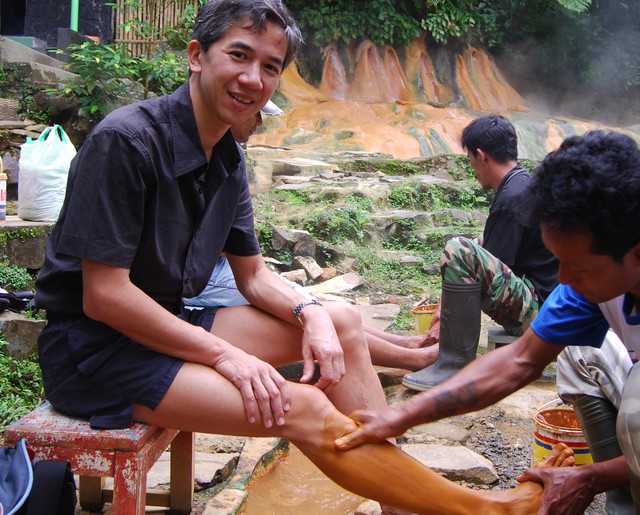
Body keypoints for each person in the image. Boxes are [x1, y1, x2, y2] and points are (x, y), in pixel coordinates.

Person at [32, 1, 573, 512]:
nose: (253, 78)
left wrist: (311, 312)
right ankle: (489, 509)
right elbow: (104, 297)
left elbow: (254, 277)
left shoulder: (226, 156)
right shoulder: (126, 141)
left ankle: (395, 500)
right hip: (95, 352)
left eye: (270, 66)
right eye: (239, 55)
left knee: (339, 321)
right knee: (307, 408)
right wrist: (227, 357)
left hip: (167, 320)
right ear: (198, 56)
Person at [336, 130, 640, 514]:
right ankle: (631, 501)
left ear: (639, 255)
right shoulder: (612, 257)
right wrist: (400, 416)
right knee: (581, 354)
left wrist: (586, 477)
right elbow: (520, 360)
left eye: (576, 266)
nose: (563, 279)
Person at [184, 103, 439, 372]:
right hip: (205, 280)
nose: (259, 122)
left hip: (225, 270)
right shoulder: (192, 156)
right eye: (255, 113)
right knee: (315, 311)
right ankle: (413, 358)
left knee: (308, 301)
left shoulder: (230, 159)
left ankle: (407, 343)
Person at [402, 114, 558, 391]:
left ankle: (454, 364)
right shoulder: (521, 183)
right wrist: (443, 306)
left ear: (481, 155)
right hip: (547, 302)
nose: (473, 169)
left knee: (458, 250)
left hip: (541, 314)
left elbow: (485, 271)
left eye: (471, 160)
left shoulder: (512, 197)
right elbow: (489, 252)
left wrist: (444, 318)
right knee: (477, 243)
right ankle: (451, 359)